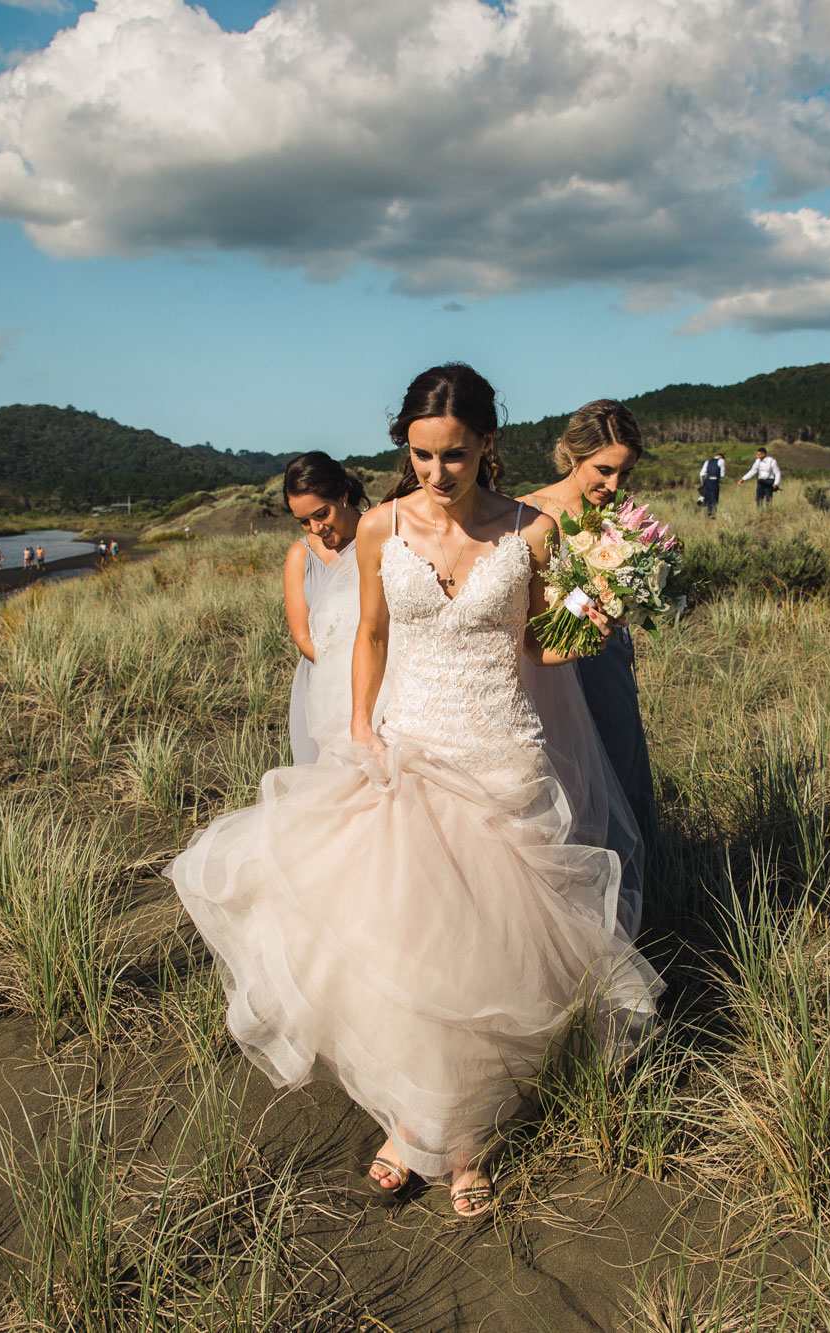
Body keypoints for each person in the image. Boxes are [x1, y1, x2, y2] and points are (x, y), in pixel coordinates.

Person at [167, 363, 659, 1222]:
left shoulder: (532, 531)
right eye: (423, 455)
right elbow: (371, 632)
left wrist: (592, 620)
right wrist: (360, 723)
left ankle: (464, 1136)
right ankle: (415, 1120)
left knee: (485, 945)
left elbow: (539, 650)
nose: (438, 473)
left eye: (456, 456)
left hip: (499, 749)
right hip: (409, 743)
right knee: (405, 940)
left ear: (487, 445)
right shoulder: (381, 529)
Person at [516, 400, 660, 934]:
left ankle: (628, 907)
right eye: (604, 469)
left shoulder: (622, 517)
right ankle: (565, 916)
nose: (615, 482)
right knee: (562, 779)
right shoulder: (527, 513)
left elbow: (629, 590)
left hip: (604, 661)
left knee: (618, 767)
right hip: (547, 668)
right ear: (571, 456)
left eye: (625, 471)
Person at [282, 452, 372, 765]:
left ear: (342, 495)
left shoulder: (380, 537)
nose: (315, 527)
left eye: (321, 514)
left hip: (380, 680)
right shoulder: (300, 555)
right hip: (321, 685)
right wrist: (342, 674)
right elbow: (303, 637)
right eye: (305, 521)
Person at [698, 452, 726, 518]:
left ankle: (709, 512)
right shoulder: (721, 461)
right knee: (714, 496)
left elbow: (701, 474)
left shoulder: (707, 462)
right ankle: (713, 513)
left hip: (708, 481)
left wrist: (703, 483)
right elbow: (722, 474)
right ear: (721, 457)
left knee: (708, 497)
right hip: (715, 480)